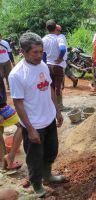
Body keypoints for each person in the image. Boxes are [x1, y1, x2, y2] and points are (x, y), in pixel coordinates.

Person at [9, 32, 65, 196]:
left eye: (41, 52)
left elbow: (49, 88)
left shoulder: (42, 65)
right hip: (34, 124)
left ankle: (48, 176)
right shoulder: (17, 74)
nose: (39, 56)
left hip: (48, 119)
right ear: (23, 52)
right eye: (35, 52)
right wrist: (30, 128)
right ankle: (36, 184)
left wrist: (57, 110)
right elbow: (18, 103)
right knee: (34, 158)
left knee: (51, 150)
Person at [42, 20, 67, 110]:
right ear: (56, 28)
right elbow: (63, 49)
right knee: (58, 86)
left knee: (51, 85)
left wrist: (44, 64)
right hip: (58, 65)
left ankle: (52, 105)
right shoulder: (59, 37)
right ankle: (59, 106)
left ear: (46, 28)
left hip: (48, 65)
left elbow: (43, 54)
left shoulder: (44, 39)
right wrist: (60, 58)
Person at [0, 76, 23, 171]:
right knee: (22, 125)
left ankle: (4, 163)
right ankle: (6, 161)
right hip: (1, 107)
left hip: (2, 105)